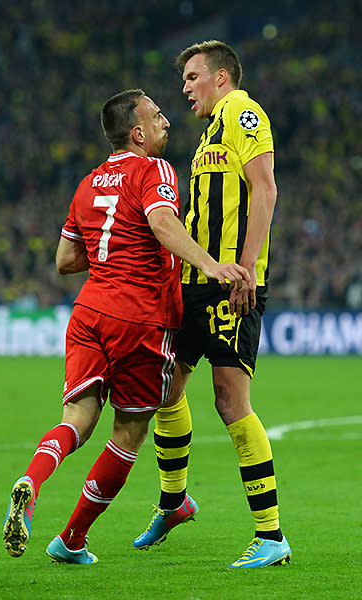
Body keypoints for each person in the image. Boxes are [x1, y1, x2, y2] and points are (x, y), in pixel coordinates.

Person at [2, 88, 250, 564]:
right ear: (137, 132)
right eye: (157, 117)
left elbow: (64, 260)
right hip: (140, 317)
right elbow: (161, 223)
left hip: (88, 312)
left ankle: (32, 480)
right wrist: (212, 265)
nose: (167, 123)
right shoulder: (154, 169)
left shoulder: (88, 183)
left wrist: (109, 250)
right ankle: (72, 539)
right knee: (129, 434)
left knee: (76, 420)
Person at [133, 41, 292, 569]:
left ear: (222, 77)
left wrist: (245, 267)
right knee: (166, 387)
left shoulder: (244, 114)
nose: (184, 87)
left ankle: (271, 536)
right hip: (195, 284)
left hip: (230, 284)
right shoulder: (208, 136)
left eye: (193, 76)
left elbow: (264, 190)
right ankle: (175, 502)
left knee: (230, 401)